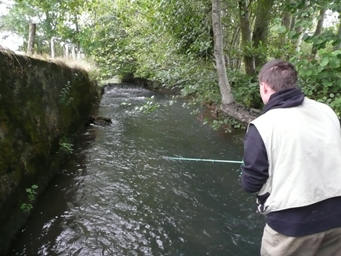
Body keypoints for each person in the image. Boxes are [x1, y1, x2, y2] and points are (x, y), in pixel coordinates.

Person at [240, 59, 341, 256]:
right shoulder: (327, 111)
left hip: (291, 228)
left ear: (264, 86)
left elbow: (250, 184)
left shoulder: (262, 126)